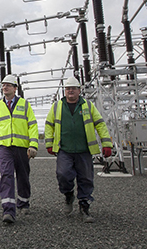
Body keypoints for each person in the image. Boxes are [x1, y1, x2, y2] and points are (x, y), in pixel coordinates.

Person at [44, 76, 112, 223]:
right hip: (64, 149)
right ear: (65, 91)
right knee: (63, 174)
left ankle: (84, 206)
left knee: (86, 178)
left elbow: (99, 123)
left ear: (79, 90)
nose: (70, 91)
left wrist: (106, 143)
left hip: (84, 149)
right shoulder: (57, 106)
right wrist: (49, 144)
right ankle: (68, 194)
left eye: (73, 89)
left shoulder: (87, 106)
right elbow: (49, 124)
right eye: (68, 89)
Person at [0, 74, 39, 224]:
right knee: (6, 175)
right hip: (4, 147)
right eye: (3, 85)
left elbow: (32, 125)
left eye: (8, 85)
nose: (5, 87)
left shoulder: (25, 104)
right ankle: (8, 210)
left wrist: (33, 145)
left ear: (15, 88)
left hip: (22, 147)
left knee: (23, 175)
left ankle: (23, 202)